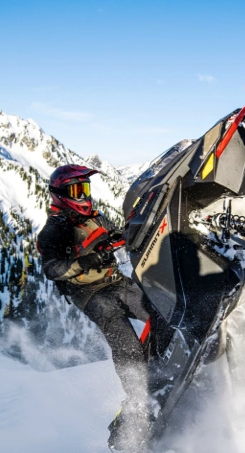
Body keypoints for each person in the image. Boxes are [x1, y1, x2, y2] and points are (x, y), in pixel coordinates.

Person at [37, 164, 153, 445]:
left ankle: (163, 362)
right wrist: (84, 262)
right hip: (90, 294)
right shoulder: (54, 229)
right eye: (77, 190)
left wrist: (122, 236)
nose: (83, 195)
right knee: (125, 342)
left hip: (115, 281)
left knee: (158, 310)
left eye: (85, 189)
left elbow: (114, 236)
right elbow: (52, 269)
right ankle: (137, 402)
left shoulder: (94, 217)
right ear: (61, 194)